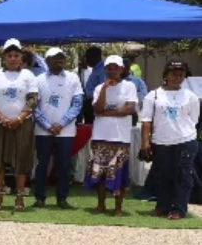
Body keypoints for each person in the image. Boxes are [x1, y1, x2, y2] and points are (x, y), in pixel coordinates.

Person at [0, 39, 39, 211]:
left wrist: (19, 119)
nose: (13, 59)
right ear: (4, 57)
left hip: (22, 124)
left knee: (21, 161)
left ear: (21, 57)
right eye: (9, 55)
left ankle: (19, 199)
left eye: (16, 55)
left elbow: (33, 99)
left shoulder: (28, 75)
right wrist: (1, 118)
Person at [141, 60, 200, 220]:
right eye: (174, 74)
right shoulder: (153, 95)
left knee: (182, 176)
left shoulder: (191, 96)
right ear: (166, 75)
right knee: (162, 175)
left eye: (181, 75)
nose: (177, 77)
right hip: (160, 141)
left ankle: (179, 209)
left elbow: (193, 120)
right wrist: (145, 142)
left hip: (185, 141)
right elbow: (146, 120)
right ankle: (163, 206)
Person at [84, 55, 139, 216]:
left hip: (121, 137)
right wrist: (104, 90)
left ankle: (118, 207)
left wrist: (106, 113)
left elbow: (129, 109)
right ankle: (101, 205)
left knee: (119, 173)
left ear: (121, 69)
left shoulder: (129, 86)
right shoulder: (99, 88)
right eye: (109, 68)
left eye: (115, 68)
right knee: (100, 172)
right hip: (101, 135)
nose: (112, 71)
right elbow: (97, 109)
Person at [33, 48, 83, 209]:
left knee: (63, 165)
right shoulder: (38, 80)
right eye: (55, 58)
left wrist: (61, 123)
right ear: (47, 61)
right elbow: (33, 106)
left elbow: (77, 104)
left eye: (61, 57)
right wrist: (48, 126)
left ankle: (62, 198)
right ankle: (40, 197)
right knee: (42, 164)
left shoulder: (73, 78)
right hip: (43, 131)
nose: (60, 60)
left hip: (65, 131)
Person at [82, 46, 105, 124]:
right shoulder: (96, 69)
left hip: (95, 102)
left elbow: (104, 88)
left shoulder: (102, 70)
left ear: (95, 57)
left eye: (87, 57)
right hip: (89, 101)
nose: (86, 60)